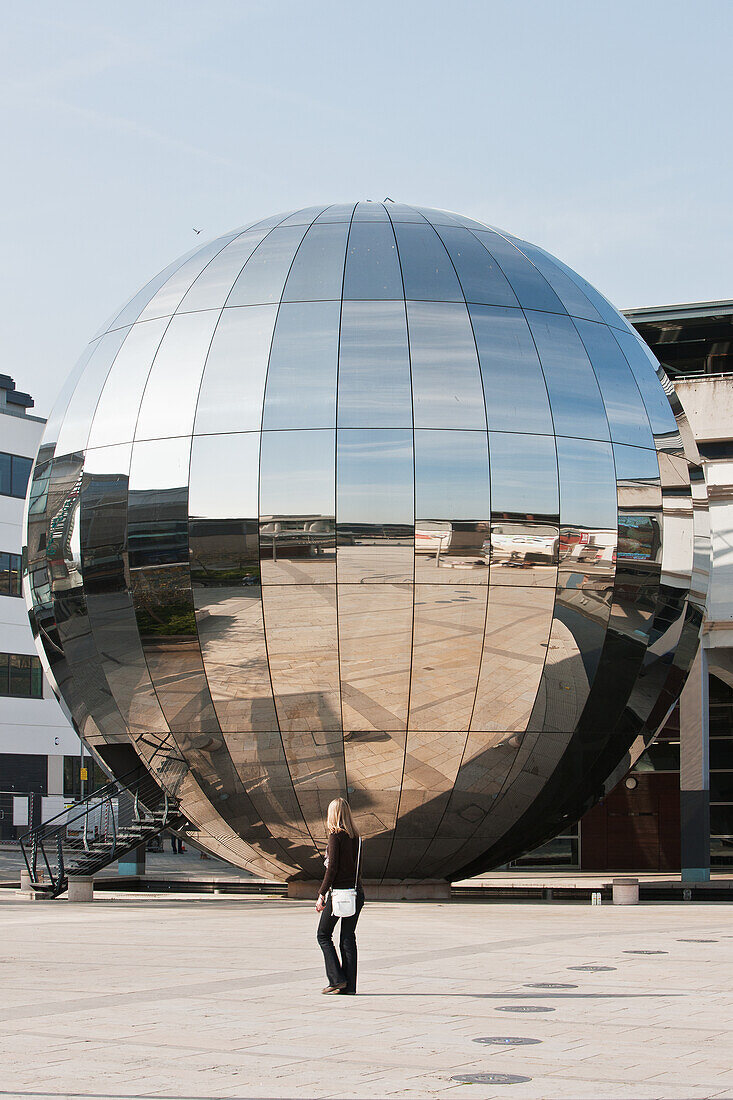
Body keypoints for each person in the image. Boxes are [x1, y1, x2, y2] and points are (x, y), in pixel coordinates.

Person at [316, 798, 364, 995]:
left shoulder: (336, 836)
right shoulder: (356, 838)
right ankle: (349, 986)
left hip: (340, 894)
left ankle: (337, 979)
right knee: (347, 937)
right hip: (356, 892)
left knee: (323, 934)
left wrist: (321, 894)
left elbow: (332, 868)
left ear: (332, 814)